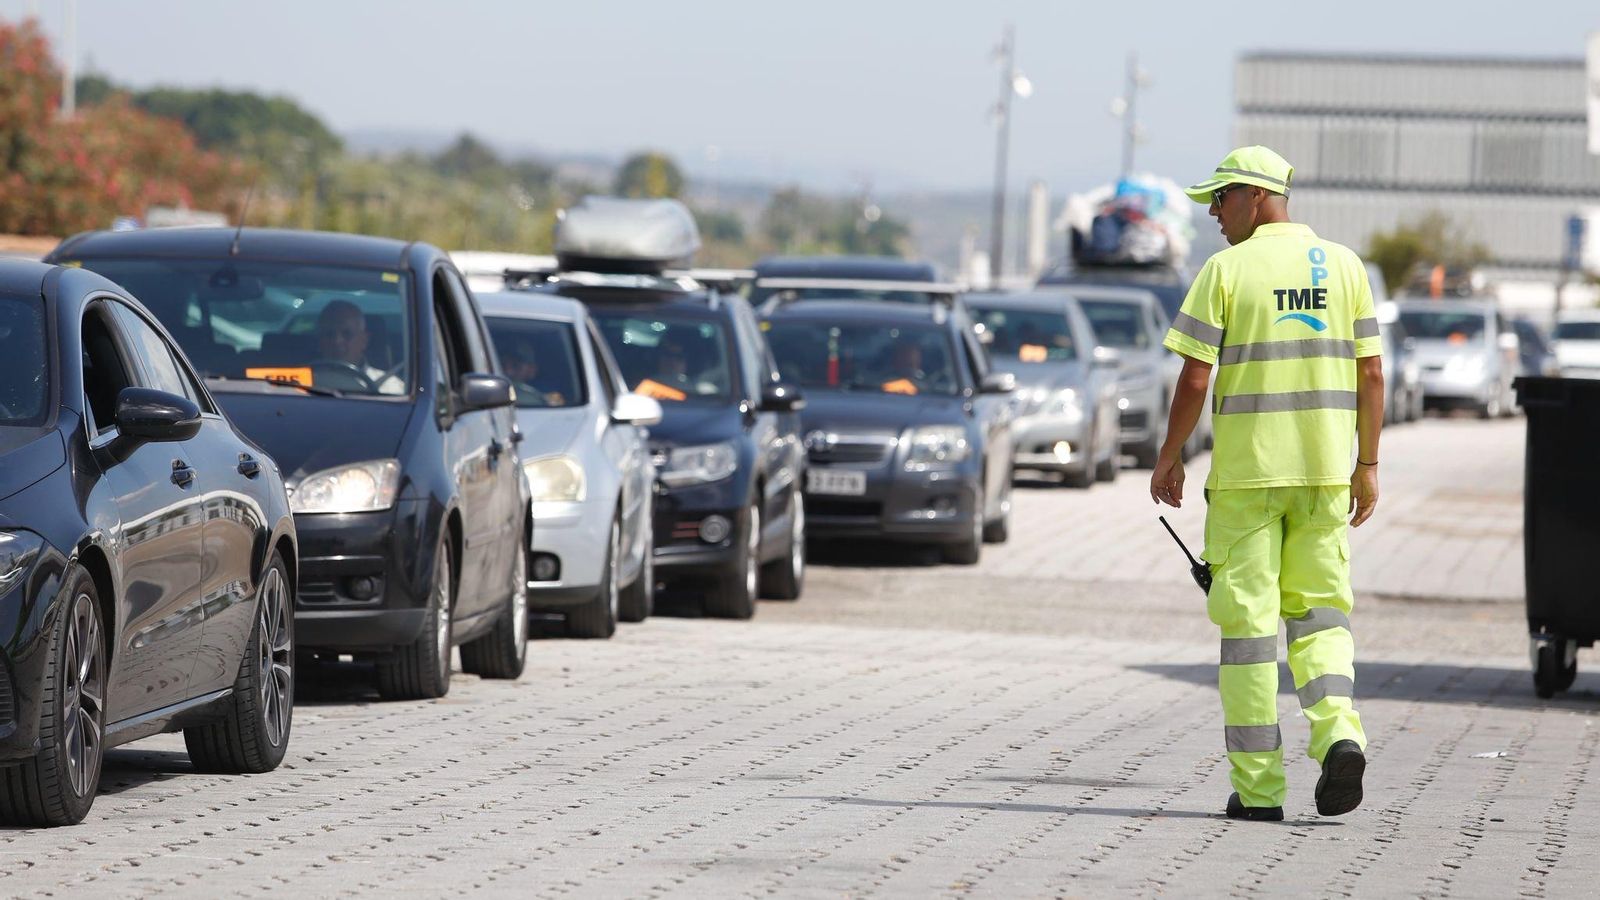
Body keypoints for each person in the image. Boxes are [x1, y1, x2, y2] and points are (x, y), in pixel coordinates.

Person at [1150, 146, 1382, 822]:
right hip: (1321, 480)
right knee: (1320, 620)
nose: (1214, 215)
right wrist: (1367, 466)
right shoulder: (1346, 267)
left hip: (1249, 484)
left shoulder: (1226, 270)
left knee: (1249, 637)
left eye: (1220, 200)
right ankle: (1339, 733)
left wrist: (1169, 456)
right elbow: (1371, 375)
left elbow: (1195, 378)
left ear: (1255, 196)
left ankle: (1258, 793)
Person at [315, 300, 403, 394]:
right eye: (329, 334)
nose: (337, 341)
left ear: (364, 340)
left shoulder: (390, 387)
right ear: (320, 341)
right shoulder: (302, 383)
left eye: (347, 334)